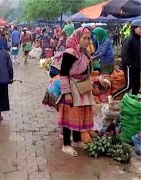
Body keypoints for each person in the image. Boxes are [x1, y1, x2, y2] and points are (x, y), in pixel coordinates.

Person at [58, 27, 93, 156]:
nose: (87, 41)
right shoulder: (70, 53)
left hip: (83, 87)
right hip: (72, 88)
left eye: (89, 38)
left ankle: (76, 140)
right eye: (84, 38)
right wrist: (67, 93)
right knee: (69, 115)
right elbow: (63, 74)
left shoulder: (84, 53)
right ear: (77, 38)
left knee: (80, 114)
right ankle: (66, 144)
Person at [112, 19, 141, 98]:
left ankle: (133, 101)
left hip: (137, 66)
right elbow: (125, 53)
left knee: (136, 85)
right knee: (128, 85)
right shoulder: (129, 39)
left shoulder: (138, 39)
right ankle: (112, 96)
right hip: (130, 66)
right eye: (140, 28)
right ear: (134, 28)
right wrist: (129, 64)